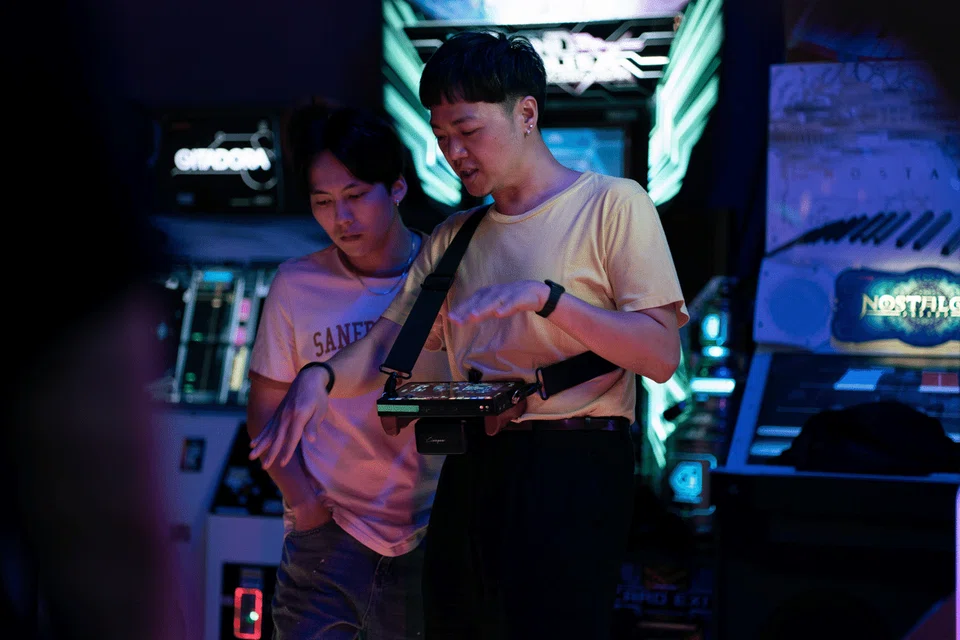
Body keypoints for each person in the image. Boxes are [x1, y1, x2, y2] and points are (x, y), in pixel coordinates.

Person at [251, 31, 688, 639]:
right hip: (472, 463)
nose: (454, 151)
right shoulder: (453, 237)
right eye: (441, 137)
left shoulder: (613, 204)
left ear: (526, 113)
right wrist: (317, 377)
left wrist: (550, 300)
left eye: (468, 131)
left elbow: (661, 354)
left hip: (574, 463)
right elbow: (386, 345)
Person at [246, 102, 448, 640]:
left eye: (356, 196)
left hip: (428, 534)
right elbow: (266, 414)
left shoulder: (443, 277)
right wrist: (307, 505)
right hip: (327, 535)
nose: (341, 217)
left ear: (398, 188)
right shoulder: (296, 284)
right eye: (324, 202)